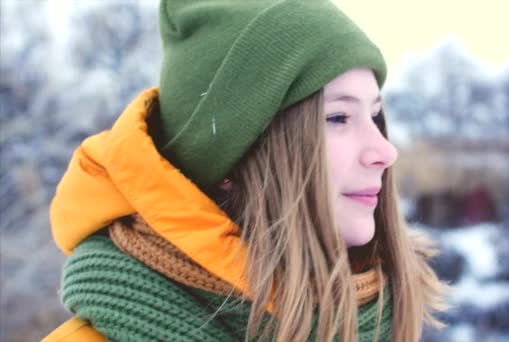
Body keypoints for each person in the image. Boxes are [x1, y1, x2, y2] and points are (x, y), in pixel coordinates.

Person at [43, 0, 446, 341]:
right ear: (232, 158)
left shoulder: (376, 320)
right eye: (338, 117)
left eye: (375, 116)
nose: (384, 150)